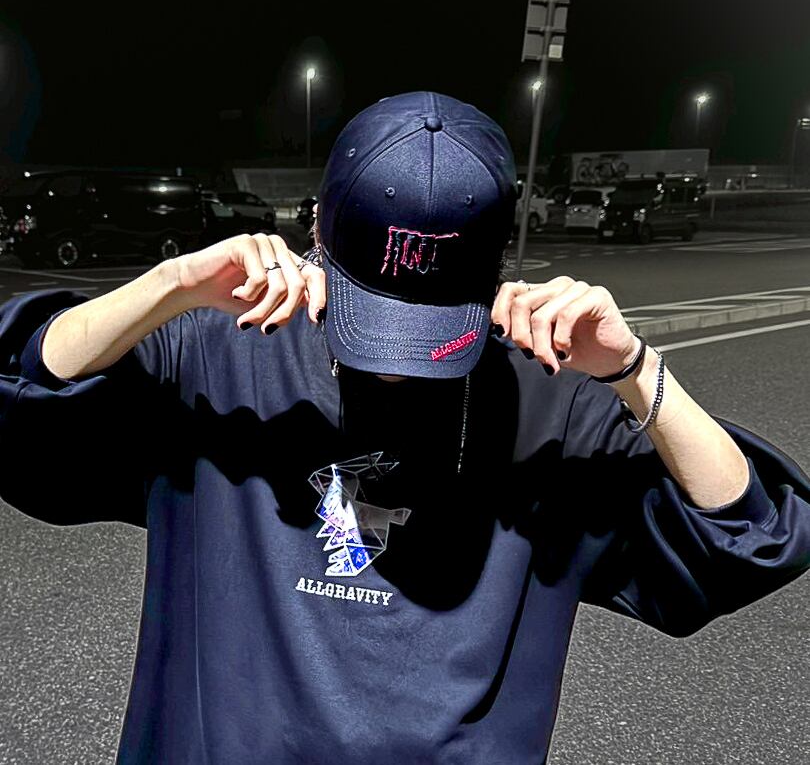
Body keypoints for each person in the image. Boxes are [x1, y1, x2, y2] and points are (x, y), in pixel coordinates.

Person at [0, 91, 809, 764]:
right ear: (318, 235)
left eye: (429, 329)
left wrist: (632, 367)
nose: (396, 368)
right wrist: (168, 286)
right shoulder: (219, 349)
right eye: (373, 319)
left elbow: (752, 535)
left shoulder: (551, 398)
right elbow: (23, 393)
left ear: (496, 270)